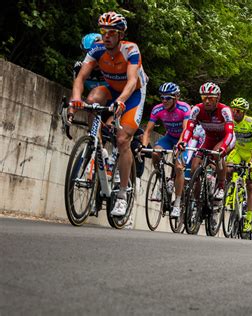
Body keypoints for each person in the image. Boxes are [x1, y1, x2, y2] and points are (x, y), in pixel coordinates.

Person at [69, 11, 148, 216]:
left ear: (121, 35)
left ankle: (122, 194)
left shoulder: (131, 49)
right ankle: (96, 143)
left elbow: (131, 81)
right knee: (92, 100)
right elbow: (80, 77)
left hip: (133, 94)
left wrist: (121, 101)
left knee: (123, 140)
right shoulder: (96, 49)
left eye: (112, 32)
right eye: (103, 31)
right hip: (111, 89)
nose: (106, 36)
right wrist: (75, 99)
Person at [141, 82, 190, 218]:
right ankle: (159, 179)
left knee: (179, 167)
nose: (164, 100)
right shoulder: (157, 109)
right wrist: (145, 147)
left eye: (168, 98)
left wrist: (181, 143)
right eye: (162, 97)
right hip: (169, 137)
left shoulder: (184, 108)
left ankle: (177, 203)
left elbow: (186, 129)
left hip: (183, 138)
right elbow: (148, 131)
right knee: (156, 152)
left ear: (176, 98)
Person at [180, 82, 235, 200]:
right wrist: (184, 141)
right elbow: (189, 128)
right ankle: (196, 203)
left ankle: (221, 185)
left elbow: (230, 133)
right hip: (209, 138)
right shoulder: (197, 109)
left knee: (217, 154)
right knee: (194, 167)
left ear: (218, 98)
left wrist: (224, 147)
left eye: (211, 98)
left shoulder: (225, 110)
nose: (207, 101)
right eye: (204, 98)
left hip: (225, 138)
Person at [226, 98, 252, 233]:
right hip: (238, 150)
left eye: (238, 111)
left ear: (244, 112)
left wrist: (251, 161)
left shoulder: (250, 122)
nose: (235, 113)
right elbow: (228, 139)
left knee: (251, 185)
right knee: (228, 168)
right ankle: (230, 191)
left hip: (251, 153)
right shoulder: (231, 121)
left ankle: (248, 220)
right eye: (233, 110)